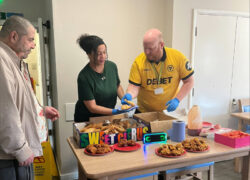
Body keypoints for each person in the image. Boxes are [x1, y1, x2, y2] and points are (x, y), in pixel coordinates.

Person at [0, 16, 59, 180]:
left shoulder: (15, 60)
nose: (34, 45)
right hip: (8, 157)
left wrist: (40, 110)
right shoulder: (1, 60)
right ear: (14, 36)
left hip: (17, 151)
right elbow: (5, 111)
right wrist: (20, 148)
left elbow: (20, 99)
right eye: (31, 40)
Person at [121, 28, 194, 113]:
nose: (147, 52)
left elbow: (189, 81)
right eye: (145, 48)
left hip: (168, 112)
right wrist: (129, 94)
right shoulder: (138, 62)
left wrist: (177, 99)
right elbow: (134, 86)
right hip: (144, 112)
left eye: (151, 48)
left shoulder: (177, 57)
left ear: (161, 45)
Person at [74, 34, 128, 122]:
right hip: (88, 119)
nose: (103, 56)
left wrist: (124, 100)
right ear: (89, 54)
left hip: (107, 116)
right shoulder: (84, 77)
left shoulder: (112, 66)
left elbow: (117, 86)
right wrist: (115, 111)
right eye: (99, 54)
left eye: (104, 52)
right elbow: (92, 107)